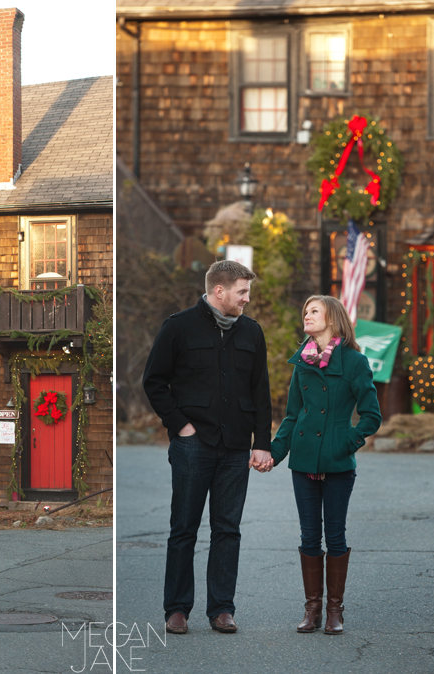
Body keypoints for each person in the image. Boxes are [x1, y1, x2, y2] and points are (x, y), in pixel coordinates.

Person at [143, 260, 272, 635]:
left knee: (227, 529)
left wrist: (261, 443)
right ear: (220, 291)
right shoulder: (178, 327)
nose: (247, 299)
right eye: (242, 292)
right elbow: (154, 382)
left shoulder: (252, 332)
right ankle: (177, 609)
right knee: (183, 528)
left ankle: (222, 609)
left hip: (235, 447)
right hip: (193, 446)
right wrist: (180, 425)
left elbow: (260, 392)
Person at [265, 295, 382, 635]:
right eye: (305, 311)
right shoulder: (302, 362)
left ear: (333, 317)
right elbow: (291, 416)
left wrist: (346, 442)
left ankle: (335, 610)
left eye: (314, 311)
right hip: (302, 461)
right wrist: (274, 453)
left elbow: (372, 416)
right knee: (309, 535)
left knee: (336, 533)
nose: (307, 315)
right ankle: (312, 608)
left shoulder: (354, 362)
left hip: (338, 463)